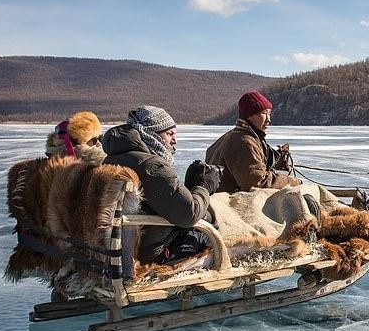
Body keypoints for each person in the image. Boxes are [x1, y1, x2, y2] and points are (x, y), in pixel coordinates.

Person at [102, 105, 221, 264]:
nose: (175, 140)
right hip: (151, 253)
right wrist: (204, 185)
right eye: (169, 133)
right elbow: (189, 214)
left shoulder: (114, 159)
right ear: (150, 133)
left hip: (122, 247)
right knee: (210, 234)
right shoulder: (151, 166)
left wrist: (190, 187)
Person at [205, 90, 302, 193]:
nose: (269, 119)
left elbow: (248, 166)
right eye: (264, 113)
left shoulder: (235, 135)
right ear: (249, 115)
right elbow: (257, 182)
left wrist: (277, 160)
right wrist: (293, 182)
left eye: (269, 114)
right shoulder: (244, 141)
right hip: (228, 205)